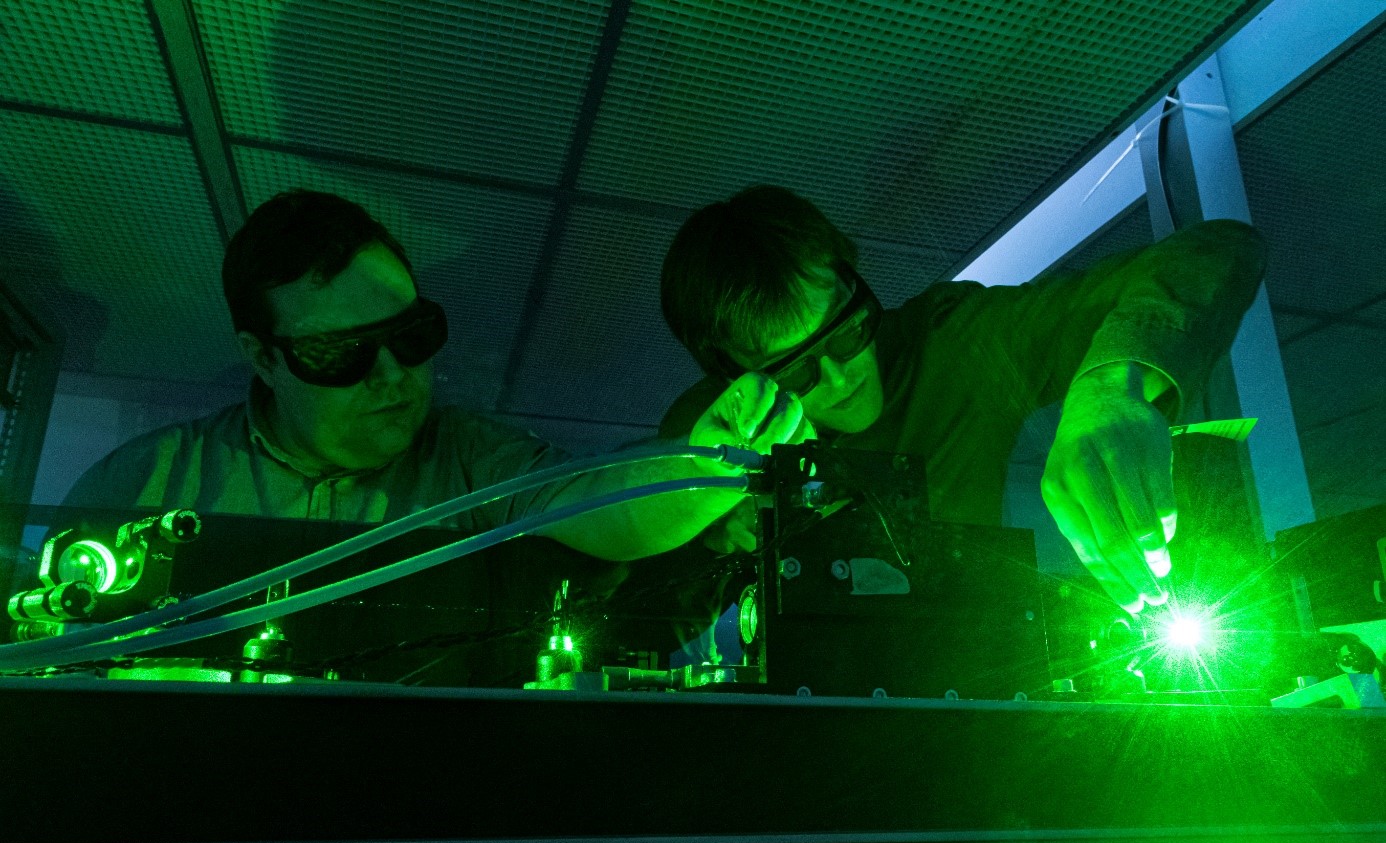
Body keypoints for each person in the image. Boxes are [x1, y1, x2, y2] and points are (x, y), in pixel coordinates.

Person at [62, 190, 805, 563]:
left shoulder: (475, 463)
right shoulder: (139, 486)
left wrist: (703, 467)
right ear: (262, 356)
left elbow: (597, 506)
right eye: (341, 354)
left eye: (411, 337)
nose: (392, 375)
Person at [657, 185, 1268, 614]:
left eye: (847, 332)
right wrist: (702, 518)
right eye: (793, 374)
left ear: (854, 281)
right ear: (729, 375)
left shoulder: (956, 341)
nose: (840, 379)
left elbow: (1218, 249)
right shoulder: (709, 432)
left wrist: (1111, 388)